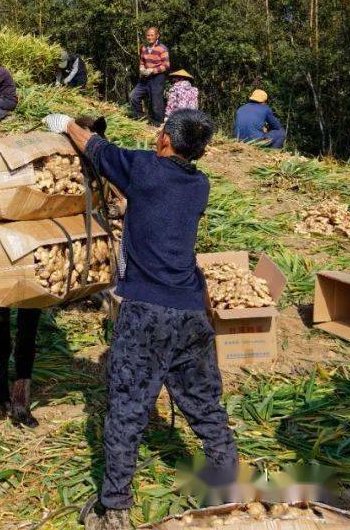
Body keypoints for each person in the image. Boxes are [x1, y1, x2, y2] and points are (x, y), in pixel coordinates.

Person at [42, 109, 237, 530]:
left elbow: (95, 148)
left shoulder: (146, 169)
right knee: (204, 402)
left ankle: (113, 509)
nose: (156, 135)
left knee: (128, 408)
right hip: (190, 311)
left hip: (147, 312)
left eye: (161, 131)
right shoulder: (199, 185)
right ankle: (227, 483)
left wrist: (66, 125)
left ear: (166, 140)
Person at [129, 26, 170, 125]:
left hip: (157, 78)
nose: (150, 37)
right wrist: (141, 68)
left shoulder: (162, 48)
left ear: (157, 36)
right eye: (148, 35)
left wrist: (153, 70)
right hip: (145, 78)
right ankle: (140, 118)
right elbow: (142, 61)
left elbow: (166, 65)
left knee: (156, 103)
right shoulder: (143, 48)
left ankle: (158, 124)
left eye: (152, 35)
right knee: (133, 96)